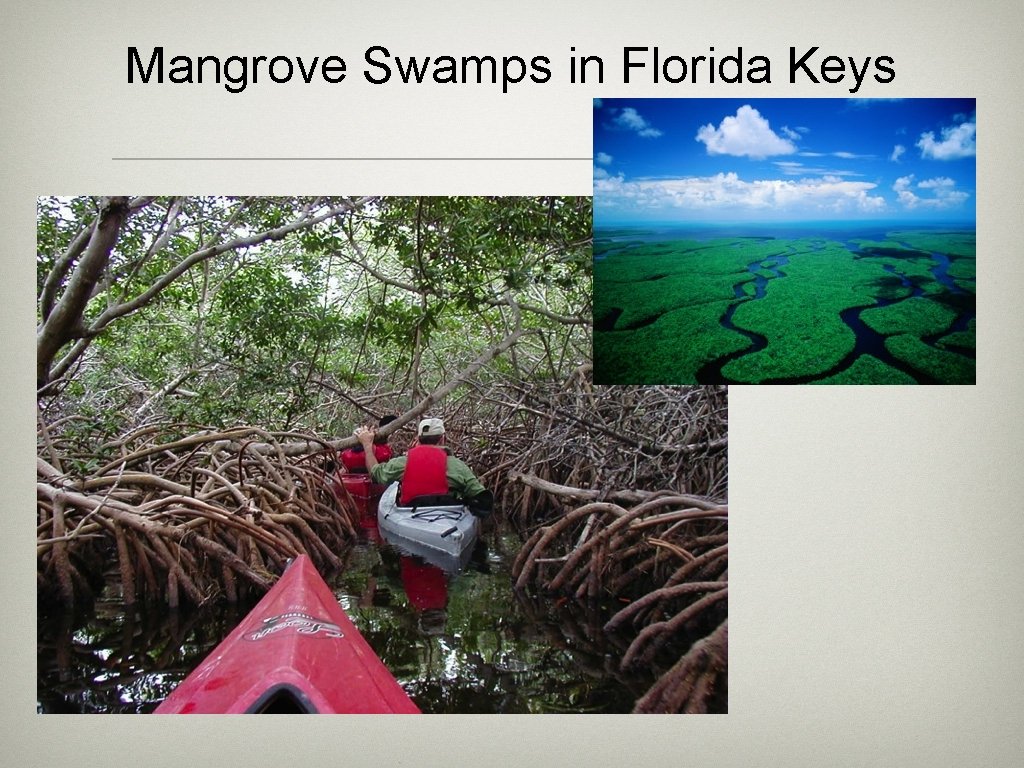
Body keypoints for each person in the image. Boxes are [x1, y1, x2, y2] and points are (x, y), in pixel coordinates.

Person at [354, 417, 493, 516]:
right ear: (443, 438)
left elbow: (376, 474)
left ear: (419, 439)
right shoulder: (458, 466)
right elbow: (480, 495)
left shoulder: (402, 463)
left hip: (410, 512)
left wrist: (367, 445)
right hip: (450, 515)